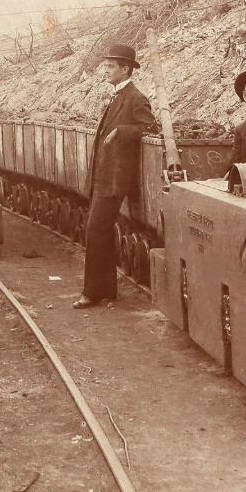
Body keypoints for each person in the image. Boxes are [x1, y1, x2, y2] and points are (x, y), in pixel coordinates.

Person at [74, 44, 155, 309]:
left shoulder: (135, 97)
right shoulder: (117, 95)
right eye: (106, 66)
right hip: (104, 175)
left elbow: (149, 127)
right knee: (101, 231)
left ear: (126, 69)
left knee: (95, 231)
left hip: (115, 179)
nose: (105, 70)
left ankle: (92, 293)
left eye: (110, 66)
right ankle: (106, 290)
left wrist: (121, 130)